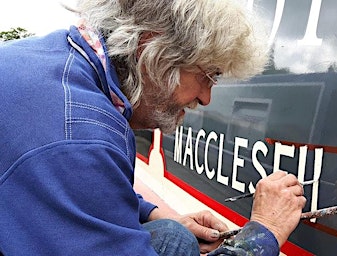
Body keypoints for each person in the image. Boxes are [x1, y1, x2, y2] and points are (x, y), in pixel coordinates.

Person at [0, 0, 306, 255]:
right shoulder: (78, 137)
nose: (206, 97)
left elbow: (81, 192)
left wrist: (154, 213)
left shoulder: (61, 62)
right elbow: (76, 168)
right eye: (207, 76)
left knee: (173, 233)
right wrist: (264, 232)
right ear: (153, 53)